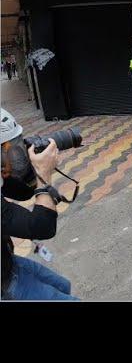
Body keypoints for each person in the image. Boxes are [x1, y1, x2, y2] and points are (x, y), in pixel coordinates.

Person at [1, 109, 78, 300]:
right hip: (4, 284)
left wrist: (26, 165)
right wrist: (44, 174)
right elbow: (42, 227)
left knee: (62, 285)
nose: (12, 153)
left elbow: (22, 192)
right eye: (6, 148)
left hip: (7, 263)